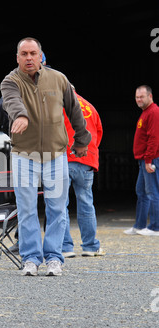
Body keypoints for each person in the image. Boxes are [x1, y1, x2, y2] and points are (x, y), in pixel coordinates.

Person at [0, 38, 91, 276]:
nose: (29, 57)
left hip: (56, 154)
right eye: (24, 54)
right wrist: (20, 116)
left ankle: (54, 258)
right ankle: (30, 258)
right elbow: (12, 102)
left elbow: (75, 110)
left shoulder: (59, 79)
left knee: (57, 208)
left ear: (41, 56)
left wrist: (82, 141)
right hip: (23, 155)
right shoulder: (10, 81)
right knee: (27, 208)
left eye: (33, 53)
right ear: (17, 57)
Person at [62, 88, 104, 257]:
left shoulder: (60, 104)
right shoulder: (90, 107)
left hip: (64, 157)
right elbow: (98, 133)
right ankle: (90, 247)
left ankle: (65, 248)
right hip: (86, 159)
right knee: (86, 203)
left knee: (60, 205)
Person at [124, 85, 159, 236]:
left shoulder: (154, 112)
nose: (138, 99)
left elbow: (154, 138)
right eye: (137, 97)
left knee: (152, 192)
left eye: (141, 97)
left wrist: (148, 160)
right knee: (141, 192)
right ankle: (139, 226)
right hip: (144, 160)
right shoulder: (146, 112)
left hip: (150, 160)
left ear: (150, 96)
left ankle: (155, 227)